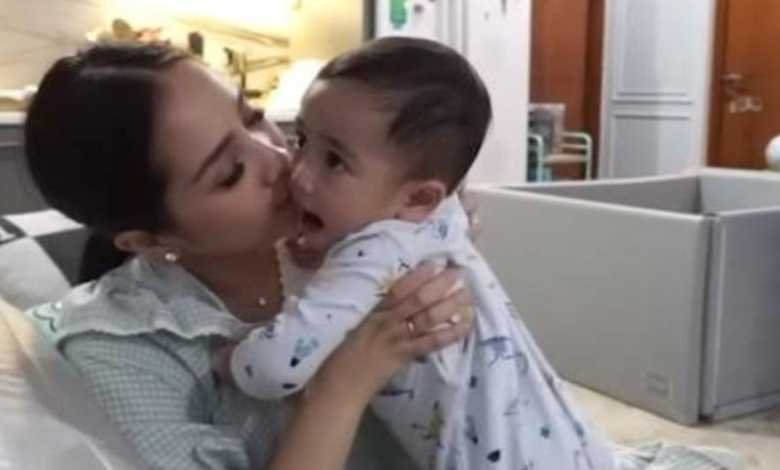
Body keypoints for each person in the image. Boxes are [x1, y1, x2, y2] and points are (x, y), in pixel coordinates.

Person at [22, 42, 475, 470]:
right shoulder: (121, 356)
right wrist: (342, 387)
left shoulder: (350, 225)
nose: (279, 157)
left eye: (253, 117)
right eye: (232, 172)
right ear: (148, 241)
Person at [223, 37, 615, 470]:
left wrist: (228, 357)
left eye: (334, 161)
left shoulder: (374, 252)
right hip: (571, 445)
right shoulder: (440, 215)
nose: (300, 173)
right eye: (301, 139)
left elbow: (274, 369)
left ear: (417, 199)